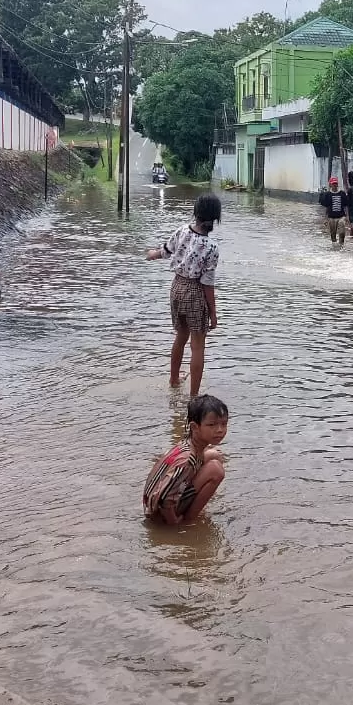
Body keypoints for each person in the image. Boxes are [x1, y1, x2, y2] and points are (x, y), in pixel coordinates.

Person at [148, 193, 221, 395]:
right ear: (215, 218)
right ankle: (194, 396)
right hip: (195, 292)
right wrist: (213, 313)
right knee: (197, 346)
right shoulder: (212, 247)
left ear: (195, 212)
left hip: (177, 288)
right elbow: (207, 284)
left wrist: (152, 254)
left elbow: (165, 251)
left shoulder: (182, 231)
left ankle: (174, 380)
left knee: (180, 337)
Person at [142, 393, 229, 526]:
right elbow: (164, 500)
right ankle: (189, 519)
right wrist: (174, 523)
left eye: (224, 424)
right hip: (161, 514)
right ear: (195, 427)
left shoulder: (187, 445)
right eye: (212, 425)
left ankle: (196, 503)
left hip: (156, 502)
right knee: (216, 470)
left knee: (214, 455)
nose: (220, 430)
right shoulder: (187, 459)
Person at [319, 177, 348, 244]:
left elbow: (346, 205)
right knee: (333, 234)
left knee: (342, 232)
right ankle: (334, 246)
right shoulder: (327, 194)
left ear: (337, 184)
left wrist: (347, 217)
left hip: (341, 216)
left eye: (336, 183)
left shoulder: (342, 193)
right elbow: (326, 207)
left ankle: (341, 245)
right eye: (333, 184)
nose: (334, 185)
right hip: (331, 217)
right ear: (330, 185)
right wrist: (325, 219)